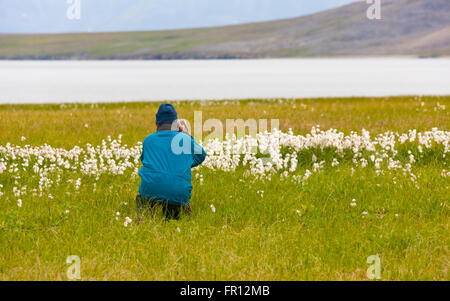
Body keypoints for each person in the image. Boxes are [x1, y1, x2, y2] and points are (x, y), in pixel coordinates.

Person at [137, 103, 206, 220]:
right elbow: (201, 155)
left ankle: (145, 217)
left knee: (145, 196)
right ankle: (174, 217)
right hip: (178, 192)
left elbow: (144, 160)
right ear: (176, 124)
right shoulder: (184, 139)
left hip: (150, 190)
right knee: (174, 208)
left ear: (157, 123)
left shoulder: (148, 140)